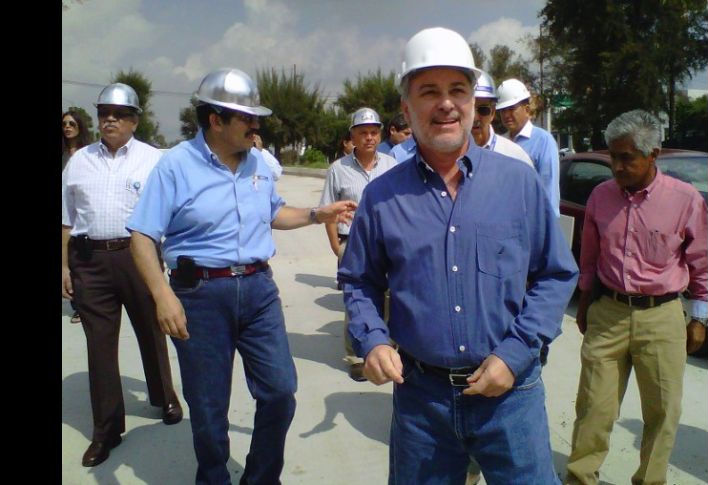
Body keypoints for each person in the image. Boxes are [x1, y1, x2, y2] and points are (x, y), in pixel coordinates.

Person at [338, 27, 578, 484]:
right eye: (429, 91)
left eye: (458, 90)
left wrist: (515, 353)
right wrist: (372, 339)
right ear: (407, 108)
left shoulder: (518, 182)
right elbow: (359, 280)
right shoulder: (382, 196)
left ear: (472, 101)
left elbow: (555, 275)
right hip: (421, 401)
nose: (446, 103)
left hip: (510, 395)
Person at [126, 68, 356, 485]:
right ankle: (214, 477)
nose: (256, 126)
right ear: (216, 120)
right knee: (209, 405)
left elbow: (272, 212)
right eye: (247, 119)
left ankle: (261, 477)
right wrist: (162, 295)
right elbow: (142, 235)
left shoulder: (259, 163)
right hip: (198, 295)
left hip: (257, 290)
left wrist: (315, 214)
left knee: (280, 391)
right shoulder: (175, 165)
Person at [564, 110, 708, 485]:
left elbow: (702, 263)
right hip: (608, 313)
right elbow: (590, 257)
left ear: (652, 155)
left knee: (662, 411)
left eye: (626, 158)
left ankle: (650, 479)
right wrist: (585, 303)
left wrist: (699, 317)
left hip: (662, 318)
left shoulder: (685, 200)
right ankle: (580, 477)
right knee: (593, 406)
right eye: (613, 156)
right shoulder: (601, 196)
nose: (617, 166)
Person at [61, 83, 182, 468]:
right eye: (104, 113)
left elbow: (171, 212)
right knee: (99, 347)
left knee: (151, 329)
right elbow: (66, 219)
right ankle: (107, 430)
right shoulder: (79, 162)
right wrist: (64, 266)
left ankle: (164, 396)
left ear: (134, 120)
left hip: (137, 257)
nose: (110, 120)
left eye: (119, 114)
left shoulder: (153, 160)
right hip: (89, 261)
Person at [319, 107, 398, 381]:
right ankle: (356, 356)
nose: (369, 137)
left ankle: (385, 350)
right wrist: (336, 246)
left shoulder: (391, 165)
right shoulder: (338, 169)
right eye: (363, 132)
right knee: (356, 299)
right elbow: (328, 210)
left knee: (389, 298)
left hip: (387, 243)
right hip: (351, 242)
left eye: (374, 132)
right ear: (352, 136)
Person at [496, 78, 561, 216]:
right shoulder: (499, 142)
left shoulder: (543, 141)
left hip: (531, 221)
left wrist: (547, 224)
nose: (506, 115)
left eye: (511, 109)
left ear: (526, 109)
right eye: (502, 110)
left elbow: (549, 191)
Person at [62, 109, 92, 324]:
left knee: (78, 258)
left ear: (80, 127)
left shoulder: (88, 153)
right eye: (64, 124)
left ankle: (81, 305)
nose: (67, 127)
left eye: (72, 123)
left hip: (78, 212)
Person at [470, 71, 534, 167]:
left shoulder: (515, 156)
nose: (475, 118)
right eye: (470, 109)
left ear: (492, 112)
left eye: (483, 110)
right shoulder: (448, 157)